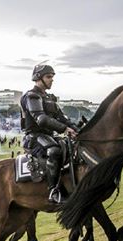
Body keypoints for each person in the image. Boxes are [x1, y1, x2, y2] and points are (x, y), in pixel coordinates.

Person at [20, 64, 79, 203]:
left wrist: (78, 130)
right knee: (54, 151)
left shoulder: (50, 98)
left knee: (71, 147)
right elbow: (41, 119)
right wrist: (64, 129)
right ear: (38, 78)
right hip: (34, 137)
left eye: (52, 77)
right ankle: (53, 191)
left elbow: (63, 118)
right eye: (48, 77)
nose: (52, 80)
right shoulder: (32, 96)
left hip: (48, 136)